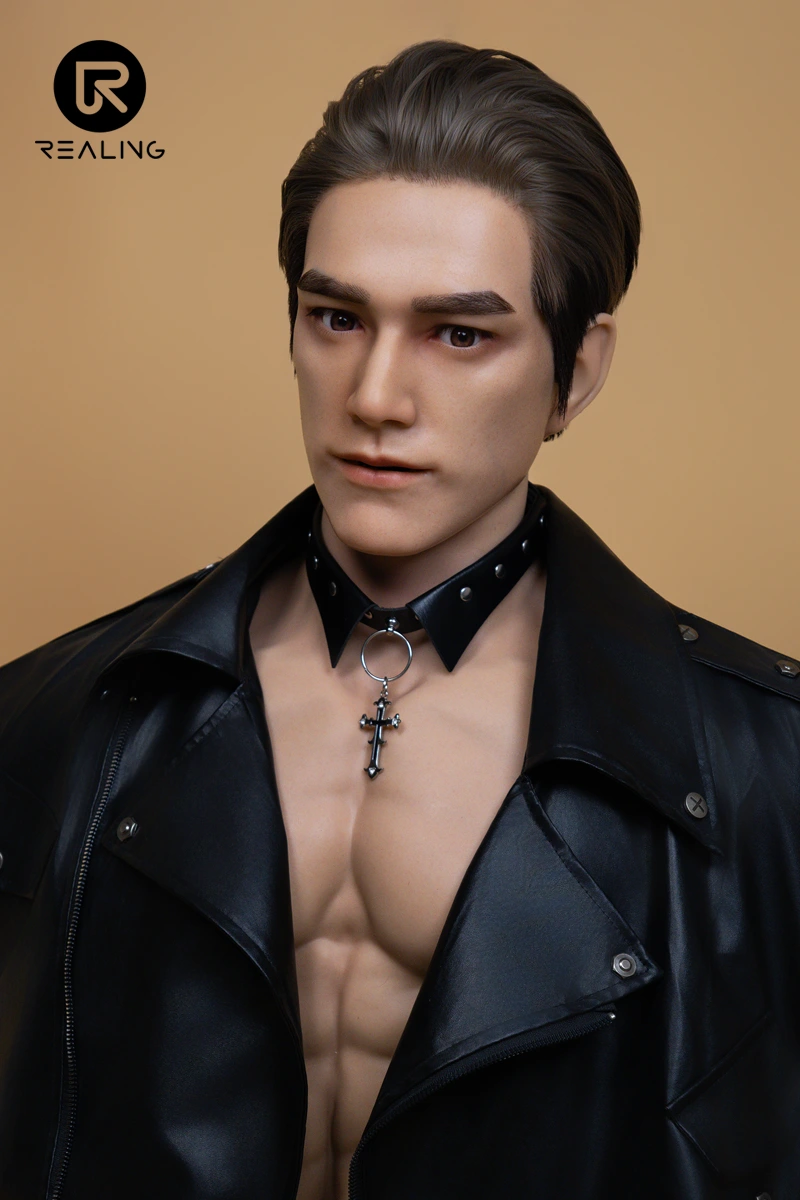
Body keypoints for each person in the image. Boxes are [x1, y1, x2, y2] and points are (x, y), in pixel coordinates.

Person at [0, 38, 798, 1200]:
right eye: (335, 318)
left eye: (457, 333)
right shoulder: (54, 714)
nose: (374, 397)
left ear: (576, 370)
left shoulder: (764, 764)